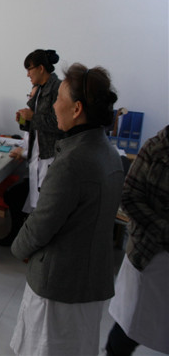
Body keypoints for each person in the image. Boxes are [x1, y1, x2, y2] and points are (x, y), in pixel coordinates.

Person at [10, 63, 124, 355]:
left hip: (60, 285)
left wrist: (17, 248)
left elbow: (41, 225)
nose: (53, 106)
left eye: (59, 98)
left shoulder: (73, 162)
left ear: (76, 109)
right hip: (92, 280)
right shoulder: (108, 152)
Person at [105, 125, 169, 356]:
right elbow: (130, 195)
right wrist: (164, 230)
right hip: (148, 254)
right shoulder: (157, 148)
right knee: (128, 328)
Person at [0, 49, 63, 246]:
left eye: (29, 69)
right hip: (37, 153)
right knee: (33, 204)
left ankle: (36, 245)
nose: (27, 74)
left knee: (42, 208)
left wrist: (33, 117)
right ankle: (28, 242)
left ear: (41, 68)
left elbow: (58, 123)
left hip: (49, 156)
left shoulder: (58, 89)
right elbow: (35, 124)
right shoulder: (40, 89)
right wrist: (24, 119)